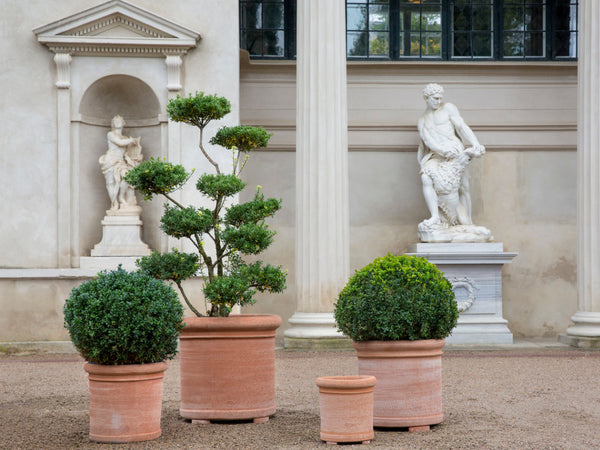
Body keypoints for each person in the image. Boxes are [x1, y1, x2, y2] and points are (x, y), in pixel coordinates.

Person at [417, 83, 485, 228]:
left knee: (464, 186)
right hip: (437, 155)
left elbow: (461, 126)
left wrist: (475, 143)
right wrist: (442, 150)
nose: (438, 101)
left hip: (455, 151)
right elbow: (428, 141)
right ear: (426, 98)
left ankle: (467, 221)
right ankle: (435, 216)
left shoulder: (448, 108)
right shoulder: (422, 121)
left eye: (440, 98)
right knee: (425, 177)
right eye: (435, 98)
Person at [99, 115, 143, 211]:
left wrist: (135, 155)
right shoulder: (111, 134)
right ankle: (114, 203)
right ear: (113, 124)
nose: (118, 121)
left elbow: (128, 151)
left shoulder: (125, 137)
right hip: (110, 161)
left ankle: (121, 197)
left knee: (128, 177)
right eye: (115, 120)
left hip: (121, 161)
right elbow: (119, 142)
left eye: (120, 120)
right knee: (110, 183)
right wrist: (131, 140)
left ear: (123, 123)